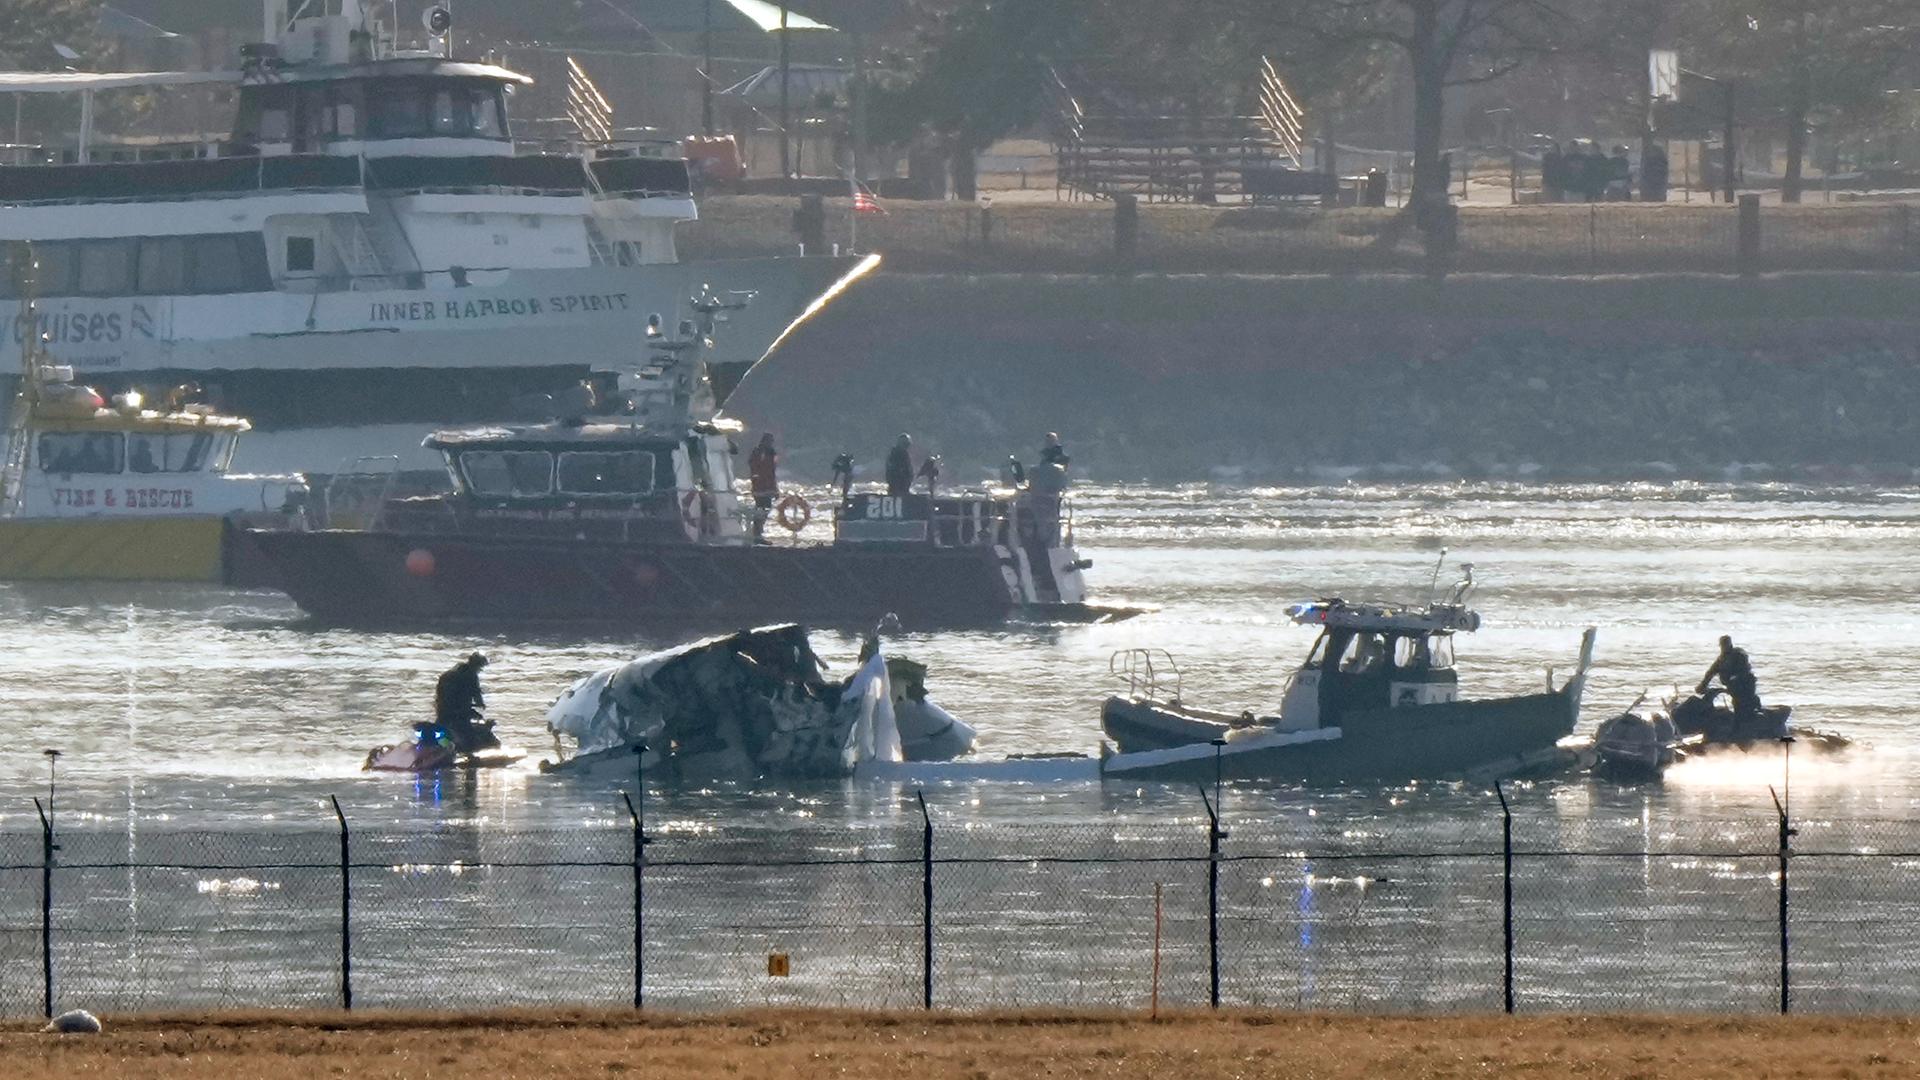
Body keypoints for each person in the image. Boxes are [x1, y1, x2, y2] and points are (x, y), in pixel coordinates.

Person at [429, 652, 499, 754]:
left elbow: (440, 694)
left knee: (439, 731)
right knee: (469, 738)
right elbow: (476, 694)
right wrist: (480, 704)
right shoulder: (471, 675)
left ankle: (442, 746)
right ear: (477, 665)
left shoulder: (448, 674)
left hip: (443, 710)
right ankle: (469, 756)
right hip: (460, 713)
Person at [1696, 635, 1762, 719]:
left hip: (1745, 685)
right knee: (1736, 705)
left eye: (1726, 644)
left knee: (1745, 704)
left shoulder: (1738, 654)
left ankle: (1756, 714)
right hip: (1732, 687)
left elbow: (1744, 669)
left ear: (1730, 644)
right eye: (1722, 645)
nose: (1724, 647)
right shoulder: (1721, 659)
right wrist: (1702, 685)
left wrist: (1735, 678)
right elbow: (1710, 672)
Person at [748, 433, 778, 542]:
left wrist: (775, 489)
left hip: (767, 487)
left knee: (765, 510)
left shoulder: (771, 453)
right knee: (761, 509)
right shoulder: (759, 452)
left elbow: (772, 472)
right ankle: (757, 534)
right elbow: (756, 467)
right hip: (760, 487)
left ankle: (758, 533)